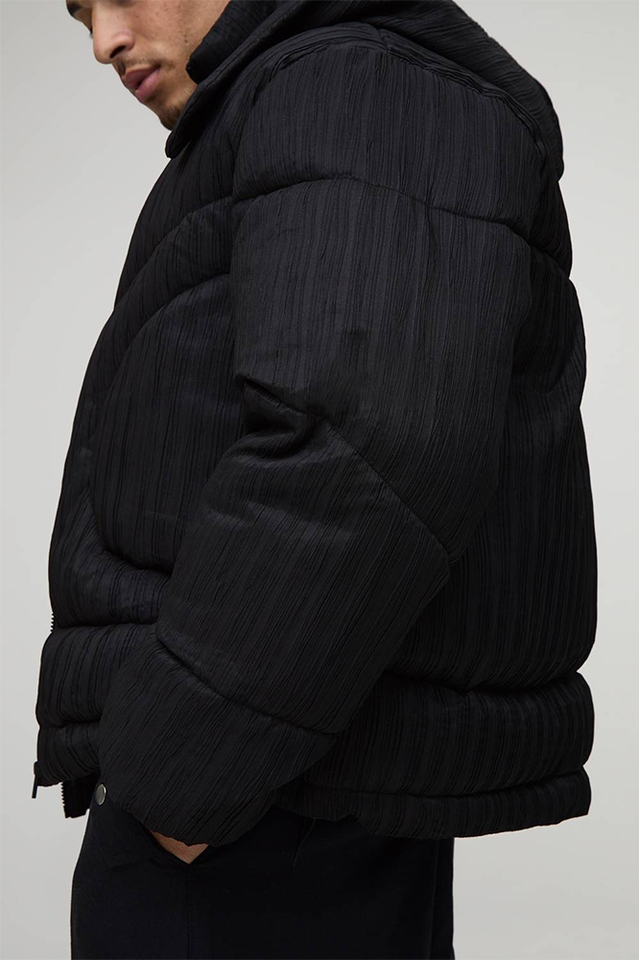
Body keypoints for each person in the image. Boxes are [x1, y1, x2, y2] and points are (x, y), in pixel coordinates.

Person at [32, 1, 598, 958]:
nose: (103, 41)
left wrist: (179, 785)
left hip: (255, 820)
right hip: (282, 791)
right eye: (81, 14)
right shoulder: (325, 94)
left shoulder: (363, 87)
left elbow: (363, 450)